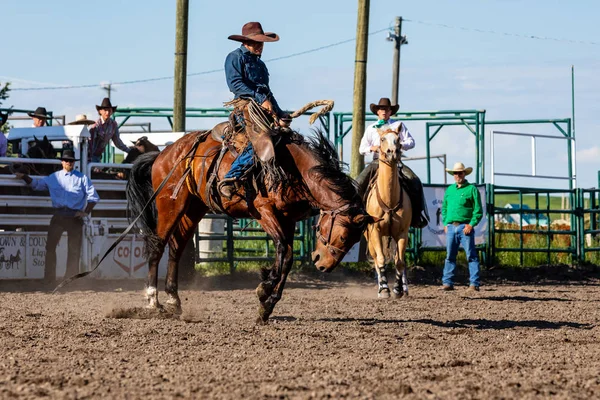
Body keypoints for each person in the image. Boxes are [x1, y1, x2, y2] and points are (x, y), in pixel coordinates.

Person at [219, 21, 289, 198]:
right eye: (257, 42)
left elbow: (266, 90)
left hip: (263, 109)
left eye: (262, 43)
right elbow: (235, 85)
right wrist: (260, 99)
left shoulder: (260, 64)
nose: (260, 46)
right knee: (261, 140)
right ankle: (232, 177)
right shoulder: (234, 57)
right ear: (246, 42)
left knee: (286, 138)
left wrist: (280, 113)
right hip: (244, 108)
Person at [15, 149, 99, 284]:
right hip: (60, 215)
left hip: (73, 216)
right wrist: (25, 177)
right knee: (50, 247)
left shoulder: (81, 178)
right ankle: (49, 278)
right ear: (62, 162)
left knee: (74, 249)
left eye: (71, 161)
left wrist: (85, 212)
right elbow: (36, 185)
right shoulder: (54, 177)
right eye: (67, 161)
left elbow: (93, 197)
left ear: (73, 163)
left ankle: (69, 279)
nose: (69, 163)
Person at [355, 97, 429, 228]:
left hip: (396, 162)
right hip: (377, 162)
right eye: (381, 109)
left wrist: (399, 144)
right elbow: (362, 148)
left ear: (390, 112)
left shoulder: (398, 125)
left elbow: (411, 142)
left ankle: (417, 216)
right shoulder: (371, 128)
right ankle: (357, 215)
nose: (384, 111)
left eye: (387, 109)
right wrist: (374, 147)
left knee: (415, 181)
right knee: (358, 183)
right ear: (377, 111)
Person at [440, 162, 483, 292]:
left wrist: (471, 224)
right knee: (450, 255)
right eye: (456, 173)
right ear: (453, 175)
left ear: (464, 174)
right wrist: (446, 223)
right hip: (452, 226)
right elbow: (445, 208)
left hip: (465, 226)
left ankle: (474, 283)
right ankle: (447, 282)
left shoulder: (471, 189)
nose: (458, 175)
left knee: (471, 255)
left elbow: (478, 210)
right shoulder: (450, 190)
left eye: (460, 173)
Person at [88, 98, 130, 162]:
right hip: (89, 156)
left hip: (98, 156)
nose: (107, 112)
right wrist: (89, 160)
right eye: (105, 110)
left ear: (112, 111)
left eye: (109, 110)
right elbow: (90, 144)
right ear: (100, 111)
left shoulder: (113, 125)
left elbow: (118, 142)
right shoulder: (95, 126)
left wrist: (130, 151)